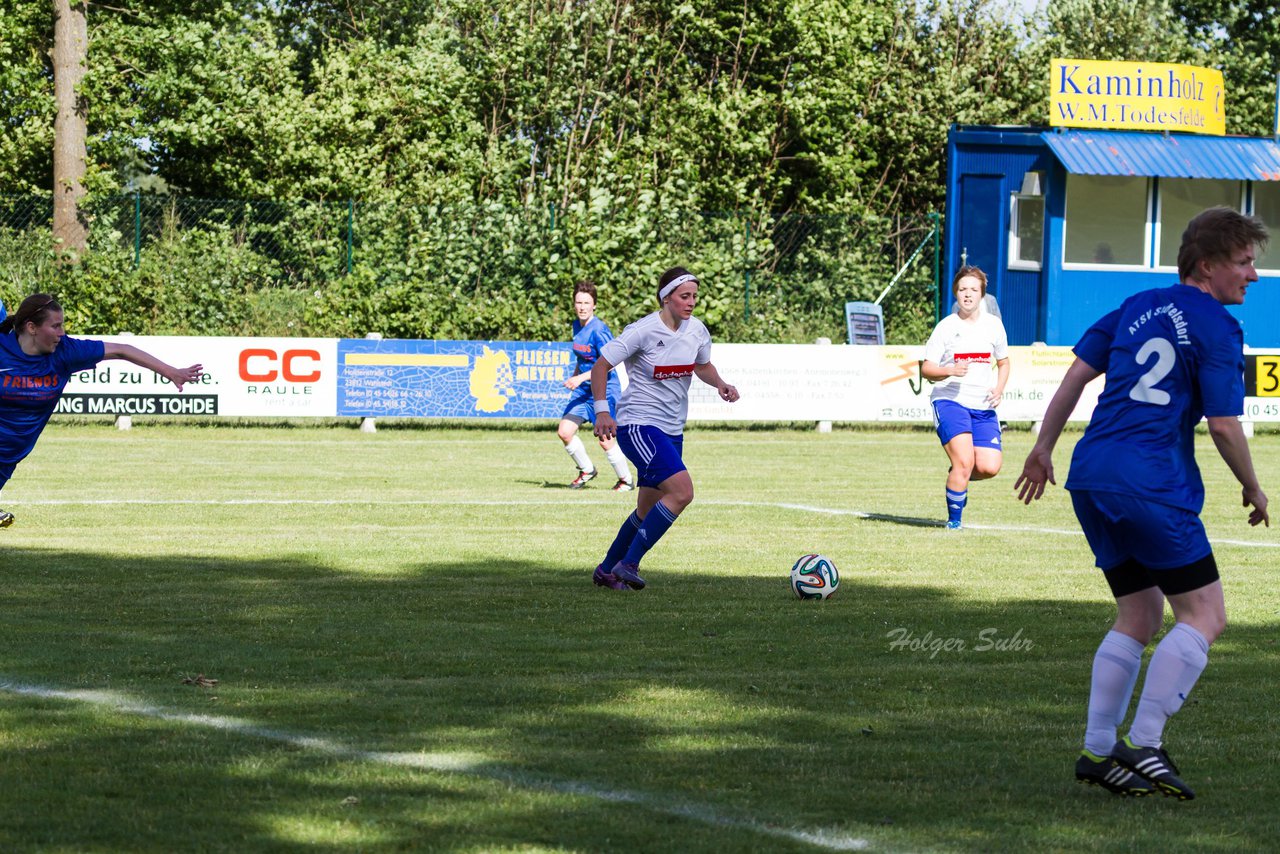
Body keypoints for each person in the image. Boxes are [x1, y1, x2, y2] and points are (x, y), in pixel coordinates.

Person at [1014, 207, 1270, 801]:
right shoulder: (1217, 327)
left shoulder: (1135, 306)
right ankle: (1147, 743)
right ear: (1206, 266)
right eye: (1243, 262)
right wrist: (1253, 487)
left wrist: (1043, 449)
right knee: (1205, 617)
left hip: (1092, 477)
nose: (1253, 275)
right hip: (1151, 484)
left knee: (1139, 615)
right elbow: (1226, 424)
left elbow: (1074, 378)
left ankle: (1098, 750)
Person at [588, 266, 739, 591]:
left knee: (646, 509)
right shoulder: (642, 330)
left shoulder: (697, 330)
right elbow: (601, 366)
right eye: (685, 296)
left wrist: (720, 384)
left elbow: (702, 365)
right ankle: (629, 564)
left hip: (671, 430)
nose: (692, 302)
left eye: (695, 296)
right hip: (638, 425)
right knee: (683, 492)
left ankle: (606, 570)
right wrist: (602, 411)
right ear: (666, 297)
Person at [0, 293, 204, 527]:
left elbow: (122, 350)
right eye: (55, 326)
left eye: (62, 325)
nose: (62, 333)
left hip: (10, 455)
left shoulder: (66, 352)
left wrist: (171, 372)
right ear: (31, 328)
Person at [921, 266, 1010, 529]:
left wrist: (999, 389)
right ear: (956, 294)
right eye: (962, 289)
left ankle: (957, 478)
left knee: (988, 467)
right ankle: (954, 523)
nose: (968, 294)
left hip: (982, 407)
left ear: (982, 294)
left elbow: (1004, 363)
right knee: (964, 461)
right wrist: (949, 370)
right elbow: (927, 369)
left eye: (973, 289)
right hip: (950, 402)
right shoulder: (946, 328)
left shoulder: (994, 326)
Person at [555, 281, 633, 491]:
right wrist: (575, 376)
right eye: (578, 302)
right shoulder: (575, 326)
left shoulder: (599, 330)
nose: (582, 307)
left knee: (605, 440)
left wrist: (580, 379)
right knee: (564, 431)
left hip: (604, 390)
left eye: (586, 303)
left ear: (594, 305)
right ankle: (587, 469)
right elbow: (583, 359)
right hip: (583, 391)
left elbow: (609, 363)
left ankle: (626, 480)